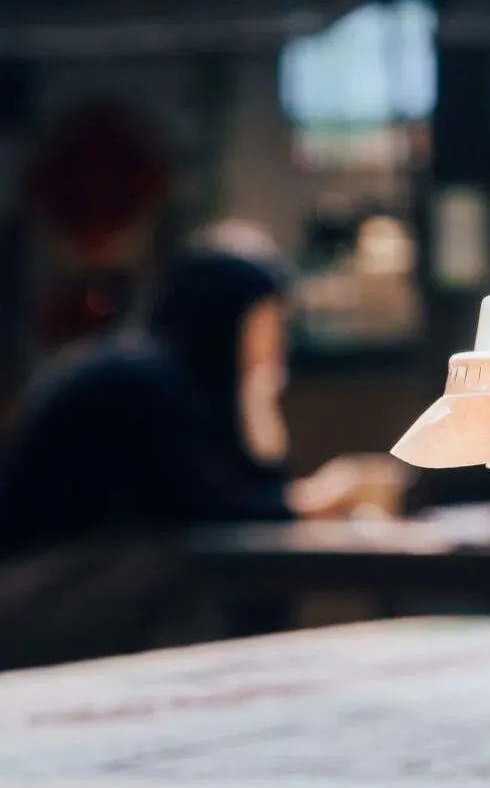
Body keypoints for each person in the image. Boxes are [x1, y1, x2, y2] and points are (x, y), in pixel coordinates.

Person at [0, 235, 364, 561]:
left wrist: (259, 400)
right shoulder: (140, 384)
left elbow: (252, 487)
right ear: (226, 321)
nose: (278, 343)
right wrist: (321, 496)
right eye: (267, 324)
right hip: (31, 577)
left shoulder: (189, 387)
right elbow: (207, 512)